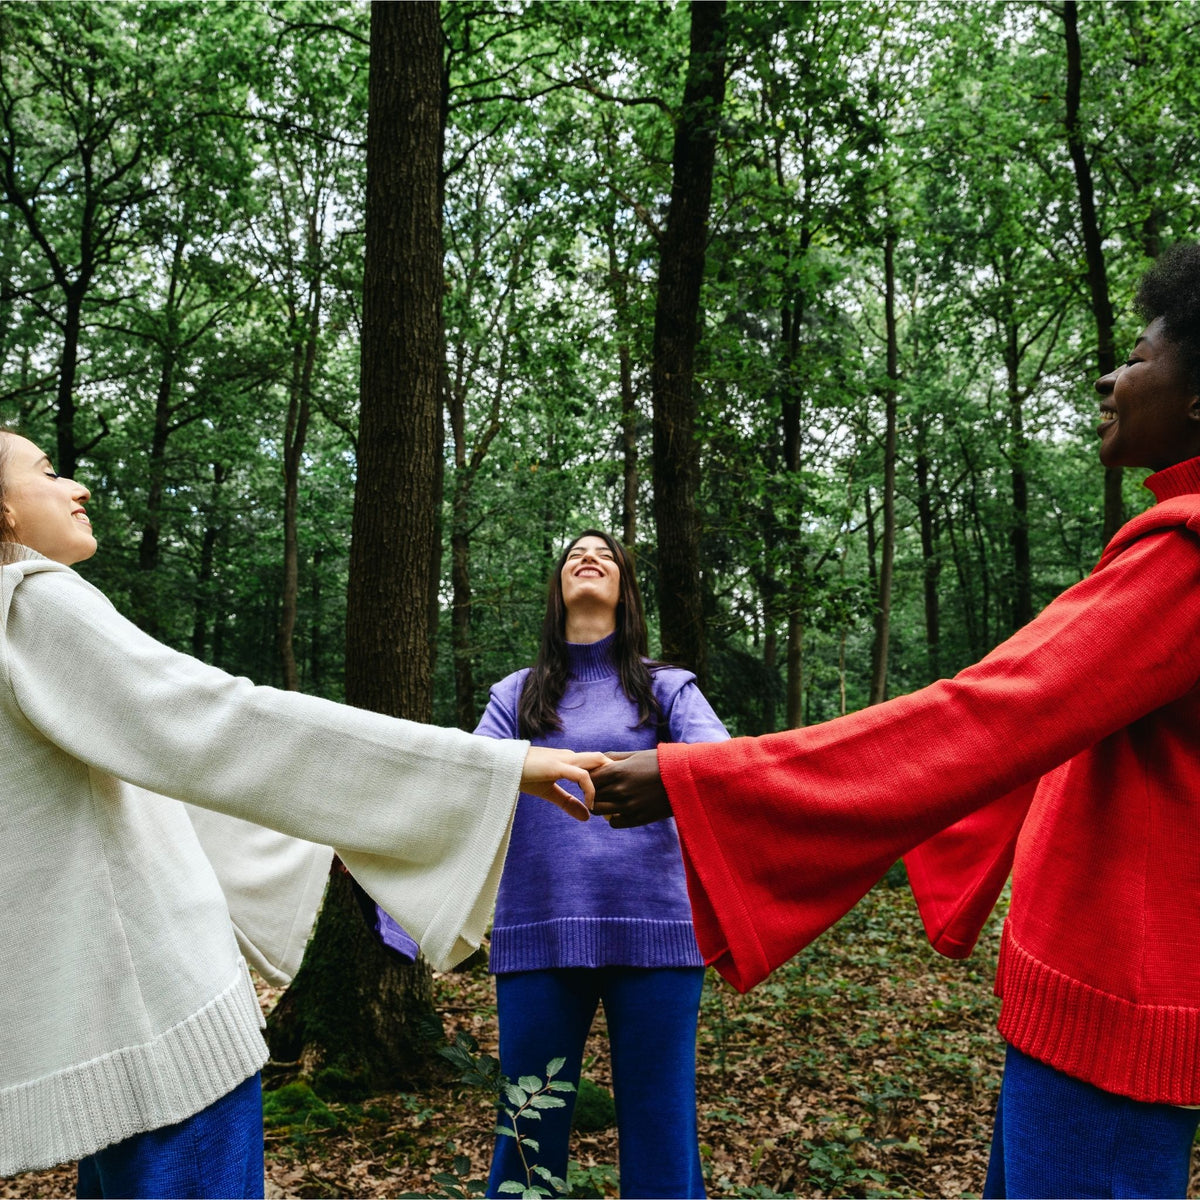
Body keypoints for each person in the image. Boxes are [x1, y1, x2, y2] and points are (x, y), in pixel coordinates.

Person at [593, 243, 1200, 1199]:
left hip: (1116, 1026)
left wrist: (696, 778)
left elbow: (984, 717)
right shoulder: (1167, 546)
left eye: (1136, 353)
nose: (1109, 373)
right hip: (1079, 1012)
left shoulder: (1186, 561)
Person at [0, 430, 603, 1198]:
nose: (77, 486)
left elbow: (150, 785)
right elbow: (220, 724)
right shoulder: (36, 603)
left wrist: (338, 829)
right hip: (161, 1038)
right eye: (49, 473)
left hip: (114, 1032)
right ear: (5, 512)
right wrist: (498, 764)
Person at [473, 530, 728, 1199]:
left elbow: (723, 766)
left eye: (606, 554)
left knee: (661, 1134)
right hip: (538, 934)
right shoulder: (516, 694)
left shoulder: (668, 689)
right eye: (574, 554)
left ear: (625, 589)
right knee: (527, 1134)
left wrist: (660, 769)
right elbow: (464, 780)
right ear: (558, 589)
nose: (589, 557)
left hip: (660, 936)